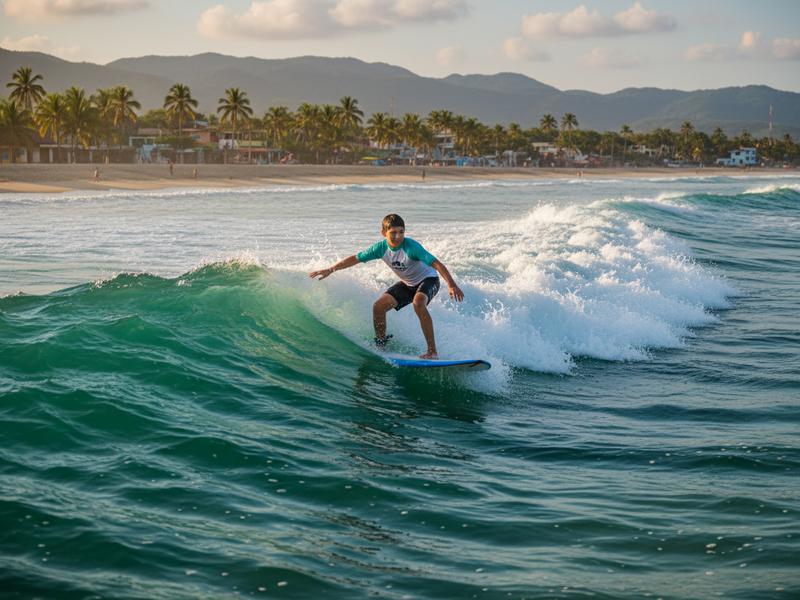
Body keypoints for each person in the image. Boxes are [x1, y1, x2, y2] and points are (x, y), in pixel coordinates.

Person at [309, 213, 464, 359]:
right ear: (384, 232)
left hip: (428, 279)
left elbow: (436, 263)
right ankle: (381, 344)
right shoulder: (380, 248)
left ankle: (432, 351)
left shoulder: (411, 247)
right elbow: (355, 259)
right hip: (408, 284)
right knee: (379, 306)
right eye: (393, 232)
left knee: (418, 303)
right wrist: (330, 269)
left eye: (401, 232)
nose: (398, 236)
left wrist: (451, 285)